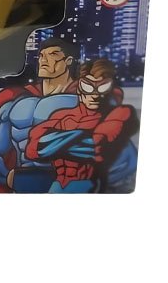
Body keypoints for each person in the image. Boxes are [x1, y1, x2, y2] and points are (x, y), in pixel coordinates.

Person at [0, 38, 79, 192]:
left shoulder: (86, 101)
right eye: (42, 55)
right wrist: (7, 178)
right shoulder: (17, 103)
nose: (44, 60)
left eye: (53, 54)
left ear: (68, 61)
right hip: (24, 185)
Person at [25, 59, 137, 193]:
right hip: (59, 184)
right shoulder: (62, 116)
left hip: (92, 184)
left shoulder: (119, 113)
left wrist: (56, 142)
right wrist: (82, 136)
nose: (94, 94)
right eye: (88, 87)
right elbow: (33, 150)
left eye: (102, 87)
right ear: (79, 87)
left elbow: (98, 146)